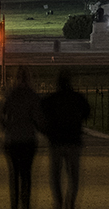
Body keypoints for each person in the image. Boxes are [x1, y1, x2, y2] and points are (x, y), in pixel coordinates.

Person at [40, 70, 90, 209]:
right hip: (73, 140)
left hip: (56, 141)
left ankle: (59, 202)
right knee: (73, 176)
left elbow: (41, 114)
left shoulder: (51, 99)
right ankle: (71, 202)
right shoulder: (77, 98)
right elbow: (87, 113)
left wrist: (47, 130)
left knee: (56, 175)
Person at [0, 66, 44, 209]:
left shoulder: (11, 94)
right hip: (28, 139)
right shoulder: (32, 95)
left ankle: (15, 204)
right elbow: (38, 119)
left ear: (17, 78)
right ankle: (26, 204)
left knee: (14, 175)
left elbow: (0, 115)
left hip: (13, 139)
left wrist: (7, 127)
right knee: (26, 175)